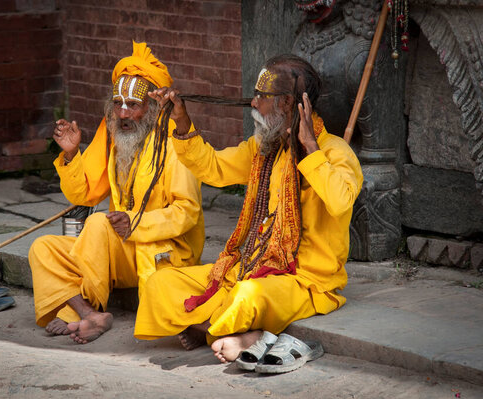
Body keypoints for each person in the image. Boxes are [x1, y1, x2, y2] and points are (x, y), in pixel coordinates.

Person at [134, 54, 363, 363]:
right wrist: (182, 122)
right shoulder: (263, 150)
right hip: (248, 266)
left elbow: (340, 201)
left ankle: (223, 328)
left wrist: (310, 149)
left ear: (285, 103)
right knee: (160, 282)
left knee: (247, 295)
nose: (254, 104)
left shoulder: (336, 152)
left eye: (261, 97)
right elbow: (214, 168)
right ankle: (228, 331)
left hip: (304, 281)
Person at [28, 41, 204, 344]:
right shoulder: (115, 140)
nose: (123, 113)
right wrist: (71, 155)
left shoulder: (177, 143)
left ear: (152, 108)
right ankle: (91, 314)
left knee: (97, 224)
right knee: (42, 248)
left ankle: (80, 310)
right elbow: (83, 196)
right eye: (118, 103)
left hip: (164, 249)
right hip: (121, 250)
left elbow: (187, 212)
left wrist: (135, 223)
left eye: (133, 105)